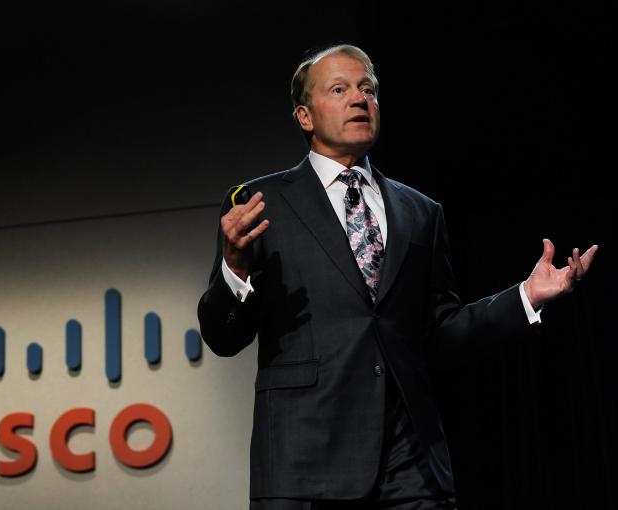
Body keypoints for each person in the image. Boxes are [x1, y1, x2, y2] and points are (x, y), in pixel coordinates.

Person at [196, 44, 598, 510]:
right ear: (305, 116)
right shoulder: (259, 204)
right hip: (305, 465)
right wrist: (235, 268)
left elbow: (441, 334)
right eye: (341, 89)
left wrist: (525, 296)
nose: (359, 99)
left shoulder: (420, 212)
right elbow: (222, 337)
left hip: (413, 466)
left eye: (369, 89)